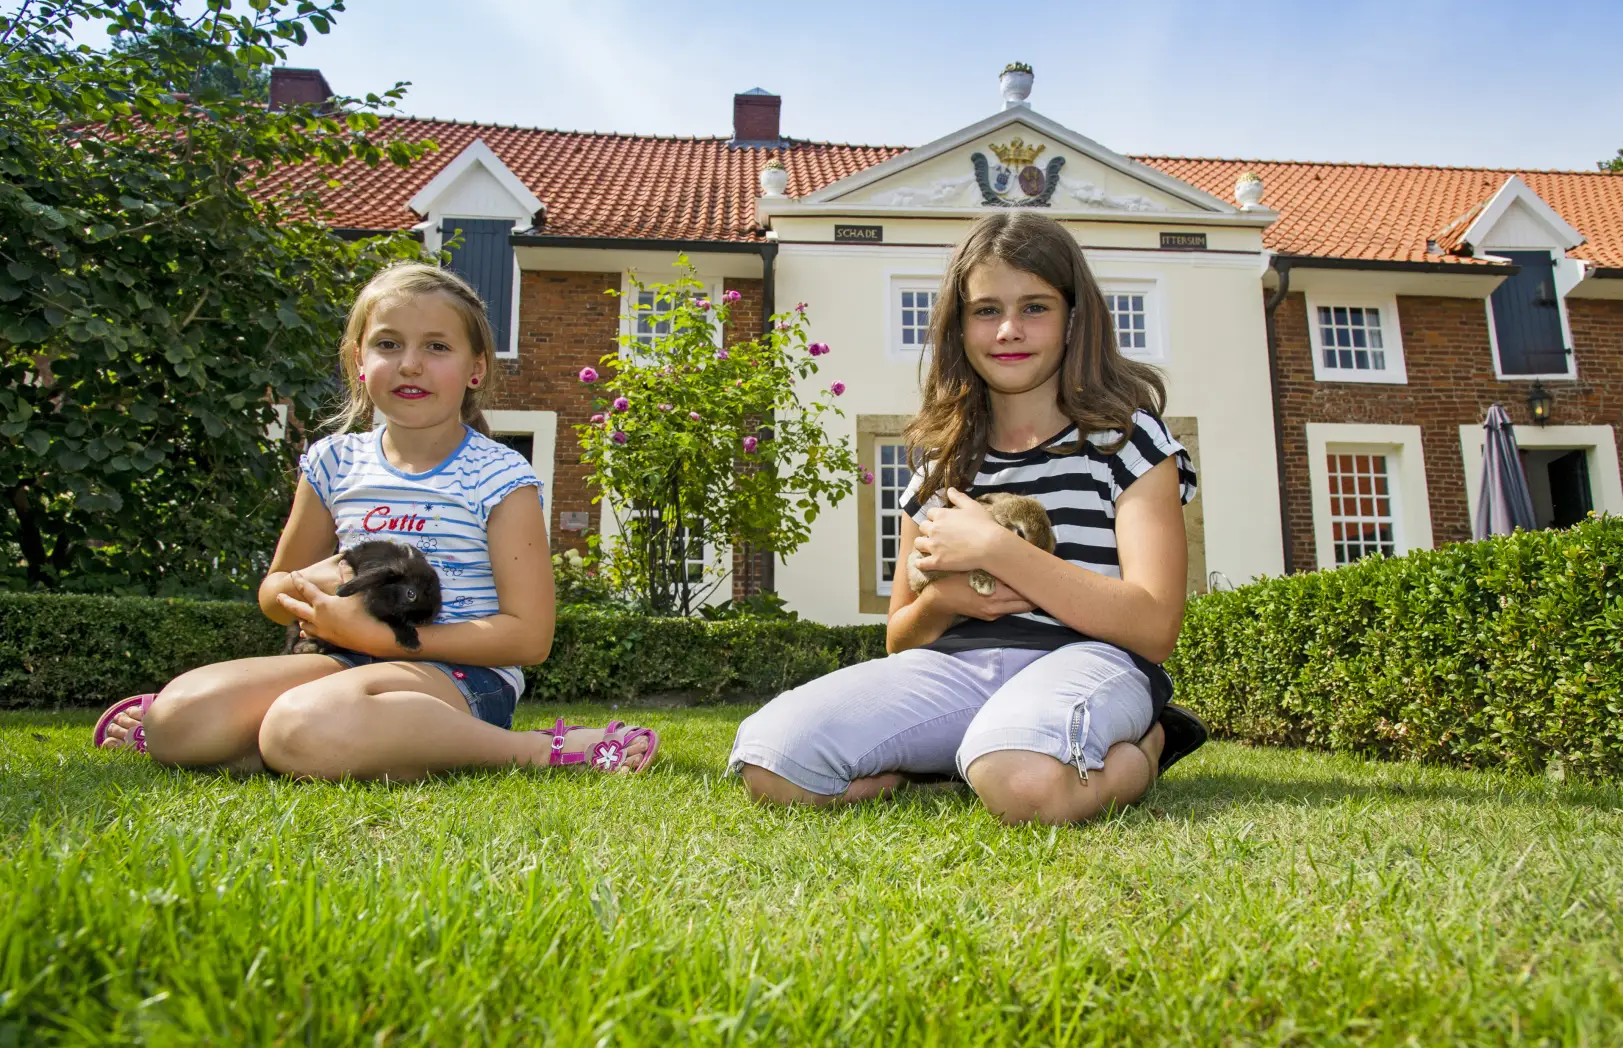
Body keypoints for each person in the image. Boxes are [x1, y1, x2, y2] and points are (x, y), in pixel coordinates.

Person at [729, 212, 1206, 824]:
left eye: (1035, 307)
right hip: (953, 669)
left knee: (1022, 782)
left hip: (1089, 660)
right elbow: (900, 638)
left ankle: (1147, 745)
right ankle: (948, 760)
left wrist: (997, 550)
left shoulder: (1129, 441)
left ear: (1073, 319)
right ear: (959, 327)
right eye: (986, 310)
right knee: (774, 760)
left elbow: (1155, 626)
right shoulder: (940, 462)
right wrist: (947, 599)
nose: (1009, 329)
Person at [93, 262, 658, 779]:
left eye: (437, 346)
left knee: (302, 724)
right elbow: (273, 593)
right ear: (358, 362)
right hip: (338, 660)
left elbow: (530, 638)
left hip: (458, 674)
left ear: (476, 369)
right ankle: (297, 744)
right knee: (178, 718)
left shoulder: (499, 476)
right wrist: (313, 586)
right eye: (388, 344)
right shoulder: (333, 462)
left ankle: (539, 750)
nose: (410, 363)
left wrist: (379, 637)